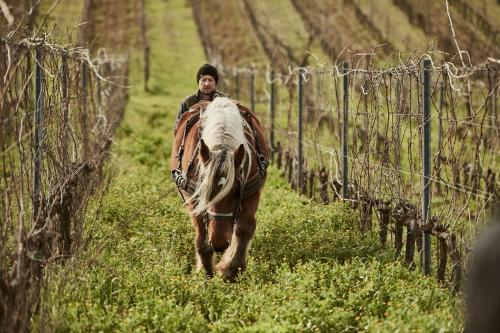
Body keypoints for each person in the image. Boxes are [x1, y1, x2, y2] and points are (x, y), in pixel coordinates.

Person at [175, 63, 226, 130]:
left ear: (215, 83)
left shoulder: (224, 100)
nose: (207, 84)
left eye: (210, 80)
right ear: (198, 82)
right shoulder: (187, 102)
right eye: (203, 80)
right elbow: (177, 128)